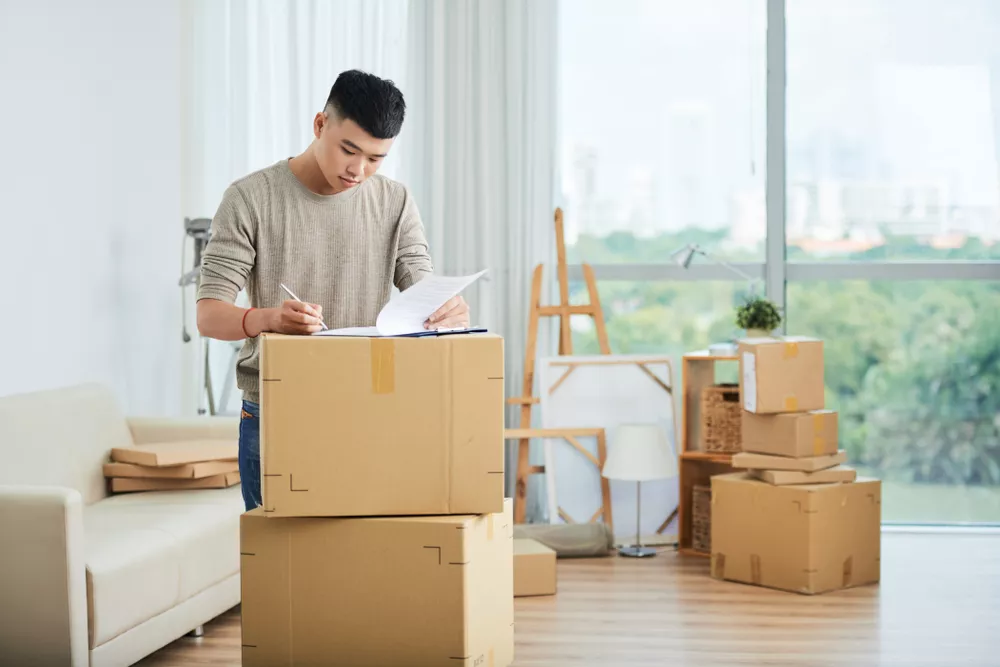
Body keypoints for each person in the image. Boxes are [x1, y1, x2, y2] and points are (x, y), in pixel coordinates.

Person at [196, 70, 469, 512]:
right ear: (320, 125)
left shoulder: (395, 202)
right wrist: (268, 319)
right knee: (282, 573)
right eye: (349, 150)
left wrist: (444, 309)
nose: (358, 171)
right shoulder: (249, 199)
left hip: (370, 410)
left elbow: (422, 282)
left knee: (362, 569)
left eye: (376, 159)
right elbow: (209, 315)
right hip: (277, 414)